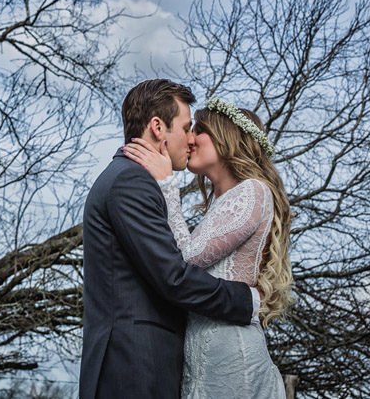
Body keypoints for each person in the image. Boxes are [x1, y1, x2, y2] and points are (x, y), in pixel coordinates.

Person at [81, 80, 261, 399]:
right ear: (157, 127)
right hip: (133, 369)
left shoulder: (132, 179)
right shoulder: (130, 182)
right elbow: (173, 276)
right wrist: (247, 300)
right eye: (186, 127)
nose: (191, 138)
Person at [122, 96, 294, 398]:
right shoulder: (223, 201)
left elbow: (186, 260)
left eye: (198, 130)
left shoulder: (252, 191)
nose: (189, 140)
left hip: (231, 356)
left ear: (225, 139)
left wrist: (166, 185)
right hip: (204, 358)